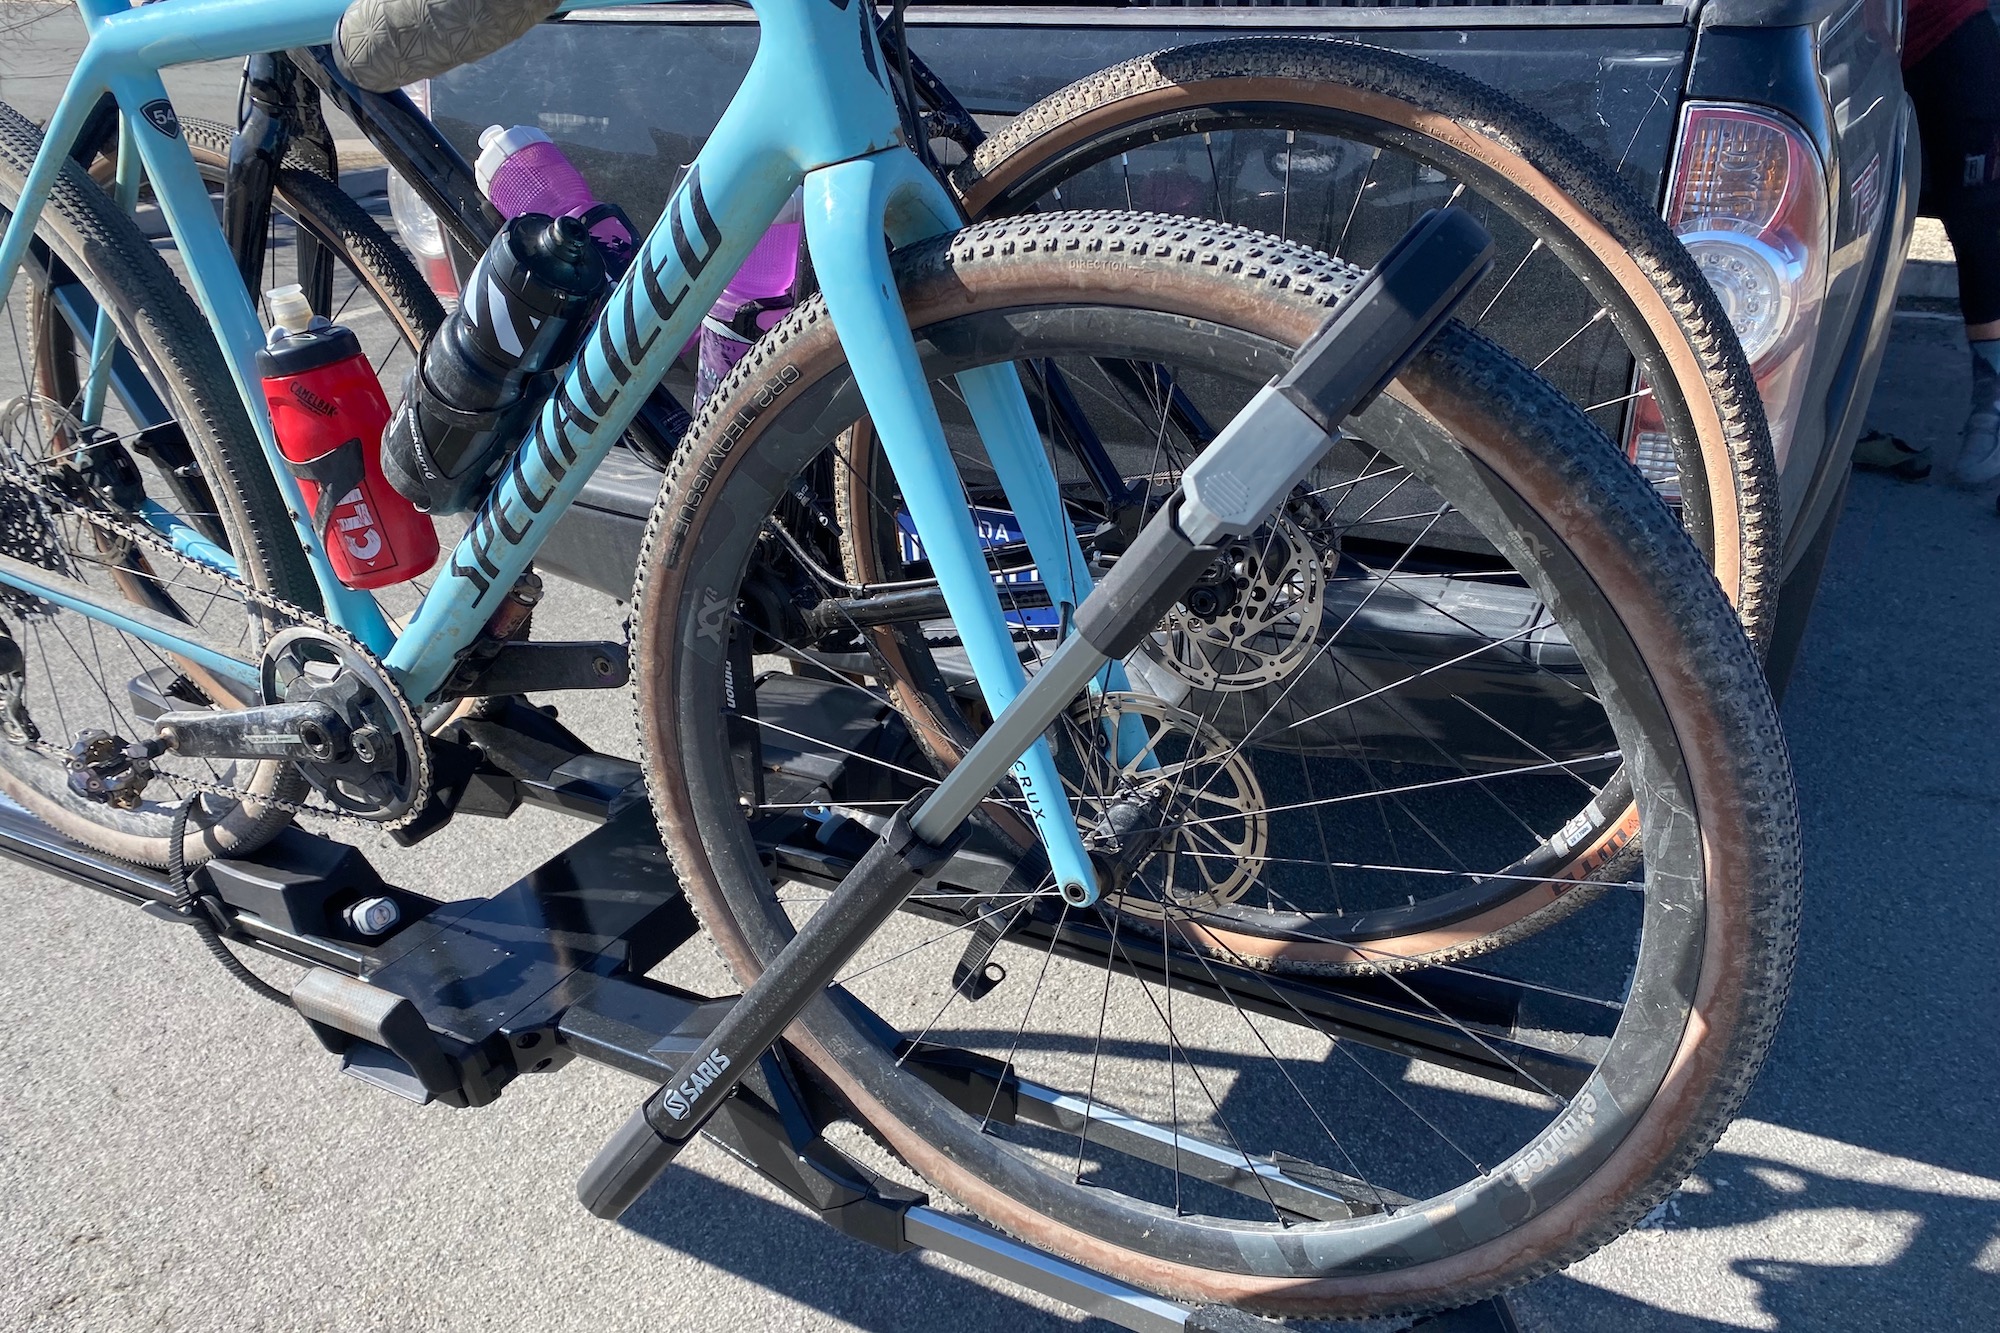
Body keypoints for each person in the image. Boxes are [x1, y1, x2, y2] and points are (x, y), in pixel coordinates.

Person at [1858, 0, 2000, 487]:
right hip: (1848, 42)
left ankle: (1993, 404)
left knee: (1977, 216)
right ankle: (1819, 414)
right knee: (1849, 215)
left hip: (1945, 31)